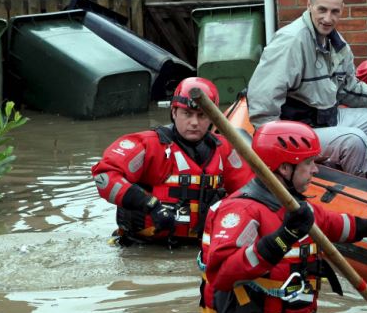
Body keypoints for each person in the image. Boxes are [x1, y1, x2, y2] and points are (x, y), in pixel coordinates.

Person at [197, 121, 367, 313]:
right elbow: (223, 273)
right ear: (285, 168)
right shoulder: (242, 211)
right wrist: (283, 237)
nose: (315, 170)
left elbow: (334, 224)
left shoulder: (294, 208)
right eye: (308, 163)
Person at [245, 0, 367, 177]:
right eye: (322, 9)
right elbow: (263, 97)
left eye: (334, 12)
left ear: (342, 10)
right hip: (298, 130)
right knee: (354, 140)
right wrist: (275, 146)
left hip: (328, 119)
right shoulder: (291, 41)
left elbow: (348, 88)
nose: (327, 18)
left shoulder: (338, 45)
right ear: (309, 5)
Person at [92, 77, 253, 246]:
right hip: (142, 247)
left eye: (202, 115)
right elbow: (104, 177)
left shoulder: (225, 150)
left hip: (199, 247)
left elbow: (249, 194)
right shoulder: (148, 145)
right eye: (187, 114)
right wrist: (150, 205)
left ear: (213, 118)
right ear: (174, 112)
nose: (194, 122)